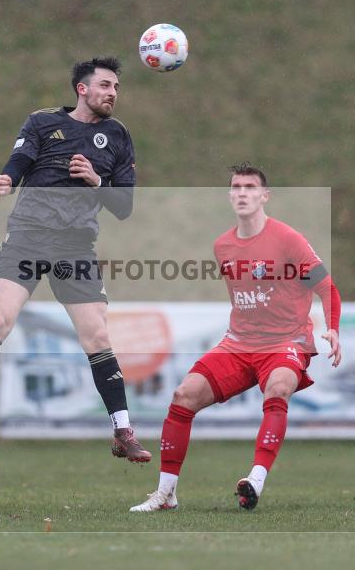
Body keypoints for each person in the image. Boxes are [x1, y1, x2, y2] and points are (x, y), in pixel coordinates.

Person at [0, 57, 151, 463]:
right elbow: (20, 161)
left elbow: (124, 206)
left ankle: (123, 431)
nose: (113, 93)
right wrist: (7, 177)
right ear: (82, 89)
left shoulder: (119, 135)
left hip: (75, 247)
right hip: (28, 237)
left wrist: (96, 181)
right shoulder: (41, 122)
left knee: (98, 338)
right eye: (106, 85)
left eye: (116, 88)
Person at [130, 164, 342, 512]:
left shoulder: (288, 239)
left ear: (264, 196)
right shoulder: (223, 246)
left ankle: (255, 479)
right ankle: (166, 493)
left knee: (277, 388)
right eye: (236, 187)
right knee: (184, 396)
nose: (242, 193)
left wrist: (332, 327)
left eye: (249, 187)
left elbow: (327, 288)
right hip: (238, 345)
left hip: (285, 343)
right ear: (230, 196)